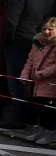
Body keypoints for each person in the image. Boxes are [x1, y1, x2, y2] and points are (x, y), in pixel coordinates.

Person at [1, 0, 56, 128]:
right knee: (39, 84)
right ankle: (35, 120)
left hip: (20, 42)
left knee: (19, 81)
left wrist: (7, 41)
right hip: (44, 41)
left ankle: (19, 118)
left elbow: (11, 21)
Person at [20, 17, 56, 145]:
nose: (46, 32)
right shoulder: (37, 43)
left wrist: (41, 74)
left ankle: (50, 133)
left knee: (49, 109)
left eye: (50, 29)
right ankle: (40, 131)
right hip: (36, 82)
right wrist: (24, 74)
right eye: (44, 29)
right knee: (38, 107)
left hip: (50, 83)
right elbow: (30, 60)